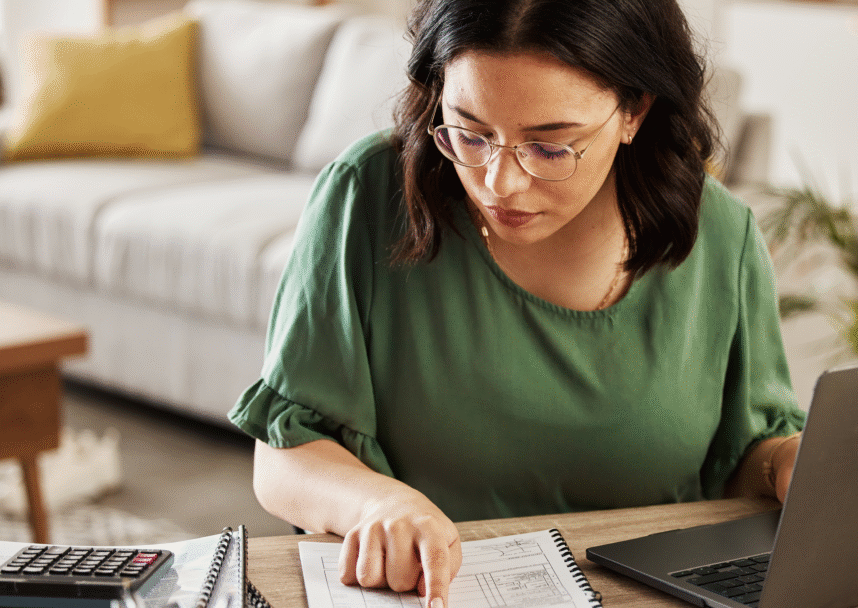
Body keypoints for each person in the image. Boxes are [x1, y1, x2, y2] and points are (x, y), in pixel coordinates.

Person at [228, 0, 806, 607]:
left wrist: (786, 465)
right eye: (470, 132)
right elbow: (284, 455)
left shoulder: (721, 236)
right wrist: (379, 503)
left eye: (550, 148)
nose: (499, 183)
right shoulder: (366, 198)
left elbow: (743, 459)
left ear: (635, 110)